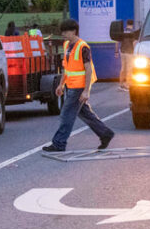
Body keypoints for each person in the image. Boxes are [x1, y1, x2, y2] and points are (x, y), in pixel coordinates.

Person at [43, 19, 115, 152]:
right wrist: (61, 84)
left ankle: (59, 143)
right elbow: (66, 67)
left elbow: (88, 69)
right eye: (62, 32)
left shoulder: (83, 47)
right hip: (71, 86)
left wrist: (86, 91)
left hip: (79, 87)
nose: (63, 34)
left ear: (74, 31)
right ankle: (105, 133)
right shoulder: (66, 45)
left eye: (65, 31)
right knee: (84, 113)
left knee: (66, 114)